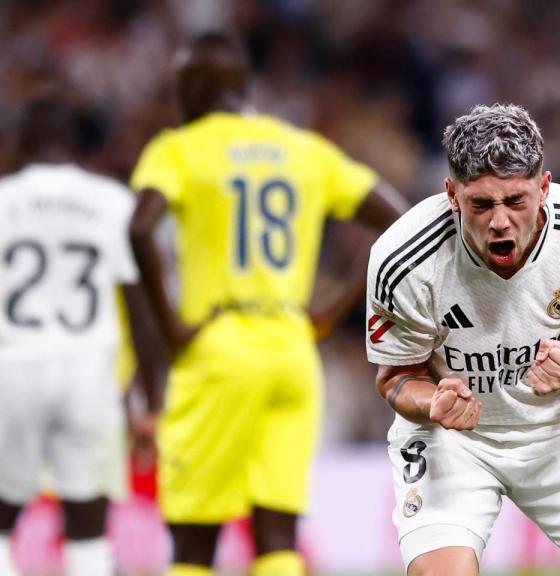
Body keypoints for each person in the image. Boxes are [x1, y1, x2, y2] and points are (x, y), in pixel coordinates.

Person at [128, 32, 407, 576]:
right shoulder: (303, 148)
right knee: (276, 532)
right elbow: (397, 220)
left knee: (193, 537)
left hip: (218, 350)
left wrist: (173, 331)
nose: (175, 98)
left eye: (180, 84)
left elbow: (140, 228)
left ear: (200, 85)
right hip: (293, 351)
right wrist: (333, 308)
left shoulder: (180, 147)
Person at [366, 103, 560, 576]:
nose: (499, 222)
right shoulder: (404, 258)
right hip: (451, 441)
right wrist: (432, 401)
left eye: (516, 201)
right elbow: (394, 378)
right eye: (481, 204)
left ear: (545, 187)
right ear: (451, 194)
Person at [0, 94, 141, 576]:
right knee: (88, 528)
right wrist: (152, 394)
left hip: (12, 367)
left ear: (20, 141)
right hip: (89, 372)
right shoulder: (112, 201)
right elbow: (138, 305)